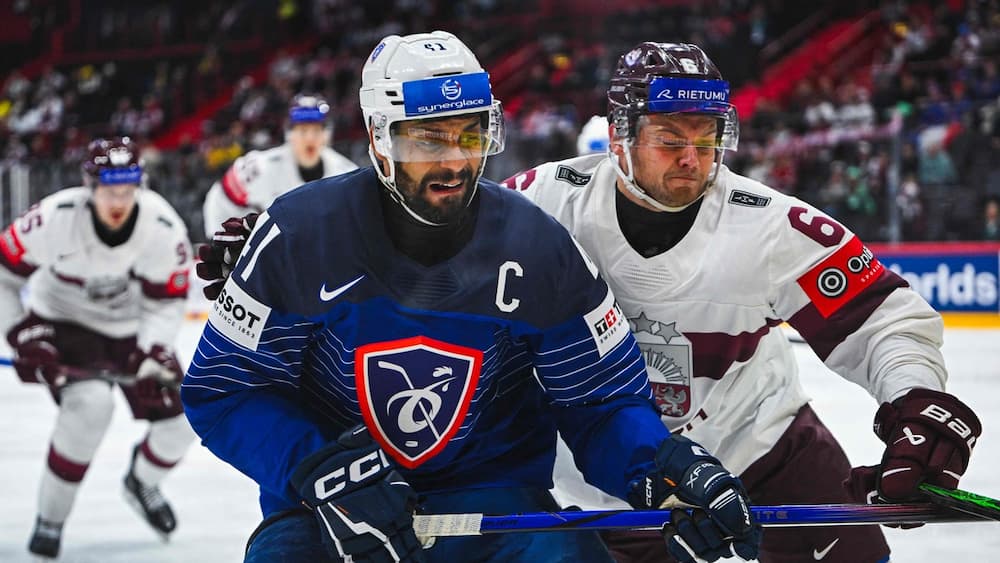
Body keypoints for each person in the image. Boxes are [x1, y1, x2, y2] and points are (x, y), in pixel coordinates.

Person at [183, 31, 760, 563]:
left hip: (497, 505)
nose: (455, 161)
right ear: (380, 138)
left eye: (470, 134)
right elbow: (225, 388)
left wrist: (662, 468)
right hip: (327, 509)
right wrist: (324, 470)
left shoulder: (539, 247)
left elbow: (602, 403)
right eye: (428, 139)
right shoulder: (299, 234)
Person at [498, 42, 982, 563]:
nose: (693, 158)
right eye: (669, 139)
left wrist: (916, 400)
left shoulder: (768, 226)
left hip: (761, 442)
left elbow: (881, 319)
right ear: (620, 136)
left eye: (708, 138)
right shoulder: (542, 204)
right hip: (606, 474)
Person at [0, 137, 197, 559]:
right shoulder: (53, 218)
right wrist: (24, 333)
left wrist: (153, 352)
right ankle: (50, 519)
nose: (119, 201)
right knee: (89, 409)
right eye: (110, 189)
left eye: (128, 190)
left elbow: (165, 302)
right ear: (89, 186)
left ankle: (141, 481)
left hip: (132, 330)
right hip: (63, 324)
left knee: (184, 419)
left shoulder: (163, 227)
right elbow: (3, 276)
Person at [201, 92, 357, 238]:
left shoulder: (347, 175)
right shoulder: (258, 167)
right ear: (290, 134)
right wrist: (227, 243)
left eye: (316, 131)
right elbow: (219, 199)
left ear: (326, 135)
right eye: (303, 131)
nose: (310, 138)